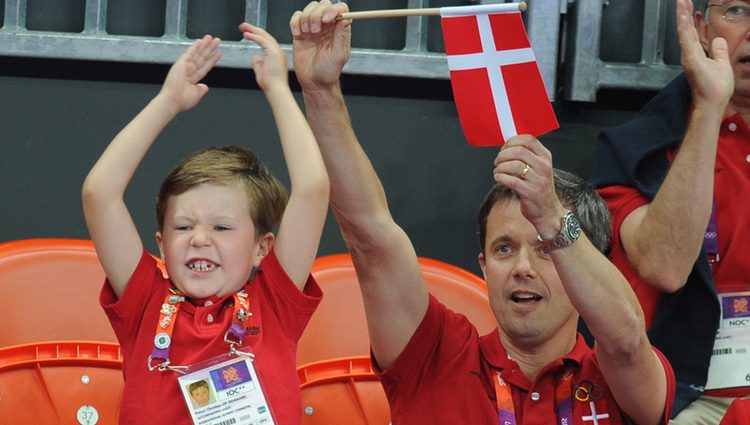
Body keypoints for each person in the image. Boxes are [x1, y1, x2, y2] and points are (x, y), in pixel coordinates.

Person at [290, 2, 675, 423]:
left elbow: (625, 337)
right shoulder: (436, 353)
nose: (522, 268)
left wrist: (549, 213)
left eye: (547, 248)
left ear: (588, 267)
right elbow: (370, 236)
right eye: (504, 249)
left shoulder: (614, 374)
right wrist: (321, 92)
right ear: (483, 266)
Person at [82, 26, 329, 424]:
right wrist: (167, 102)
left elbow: (313, 188)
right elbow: (100, 193)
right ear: (161, 244)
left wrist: (280, 92)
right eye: (183, 228)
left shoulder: (275, 304)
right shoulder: (145, 301)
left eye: (222, 228)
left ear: (262, 248)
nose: (199, 239)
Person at [589, 0, 749, 421]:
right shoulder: (636, 148)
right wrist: (711, 109)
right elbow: (665, 266)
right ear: (700, 27)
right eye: (737, 10)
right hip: (693, 397)